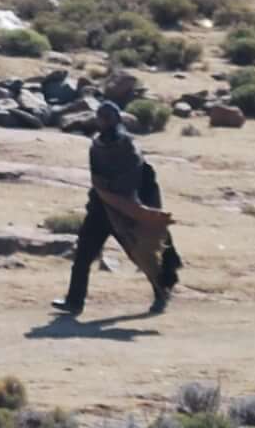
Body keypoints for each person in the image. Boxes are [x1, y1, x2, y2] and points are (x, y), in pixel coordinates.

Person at [56, 98, 179, 320]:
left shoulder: (127, 146)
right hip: (100, 208)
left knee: (139, 254)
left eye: (106, 117)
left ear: (115, 119)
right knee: (83, 254)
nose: (102, 121)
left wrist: (129, 205)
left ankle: (161, 292)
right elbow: (96, 175)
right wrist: (103, 191)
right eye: (100, 117)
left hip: (125, 211)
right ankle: (74, 302)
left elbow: (133, 177)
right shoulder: (97, 145)